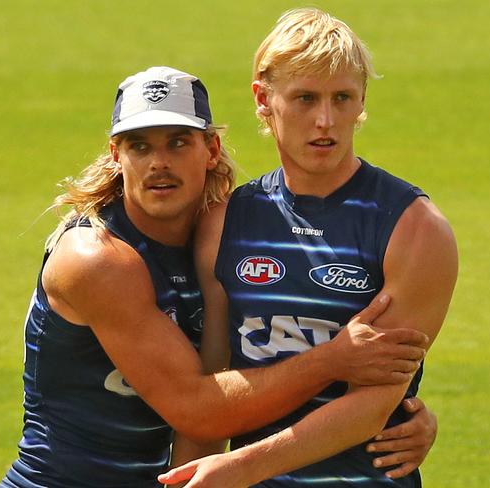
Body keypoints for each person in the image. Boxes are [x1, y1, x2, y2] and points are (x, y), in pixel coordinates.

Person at [0, 65, 435, 488]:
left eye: (177, 143)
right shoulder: (97, 259)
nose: (159, 163)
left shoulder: (221, 238)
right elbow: (200, 411)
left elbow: (268, 349)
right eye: (140, 146)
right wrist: (334, 361)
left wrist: (396, 409)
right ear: (117, 155)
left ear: (210, 150)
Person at [160, 8, 458, 488]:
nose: (326, 120)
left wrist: (237, 470)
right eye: (305, 98)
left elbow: (370, 408)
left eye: (343, 98)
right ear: (263, 99)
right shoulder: (224, 222)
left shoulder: (413, 228)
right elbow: (211, 394)